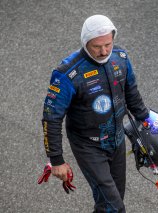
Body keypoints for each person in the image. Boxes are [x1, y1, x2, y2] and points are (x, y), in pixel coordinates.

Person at [41, 14, 149, 212]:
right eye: (96, 46)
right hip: (88, 147)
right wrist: (56, 160)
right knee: (114, 207)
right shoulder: (66, 74)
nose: (103, 51)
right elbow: (51, 118)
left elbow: (131, 93)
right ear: (85, 43)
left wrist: (147, 119)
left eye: (108, 44)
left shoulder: (121, 58)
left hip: (116, 142)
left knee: (110, 203)